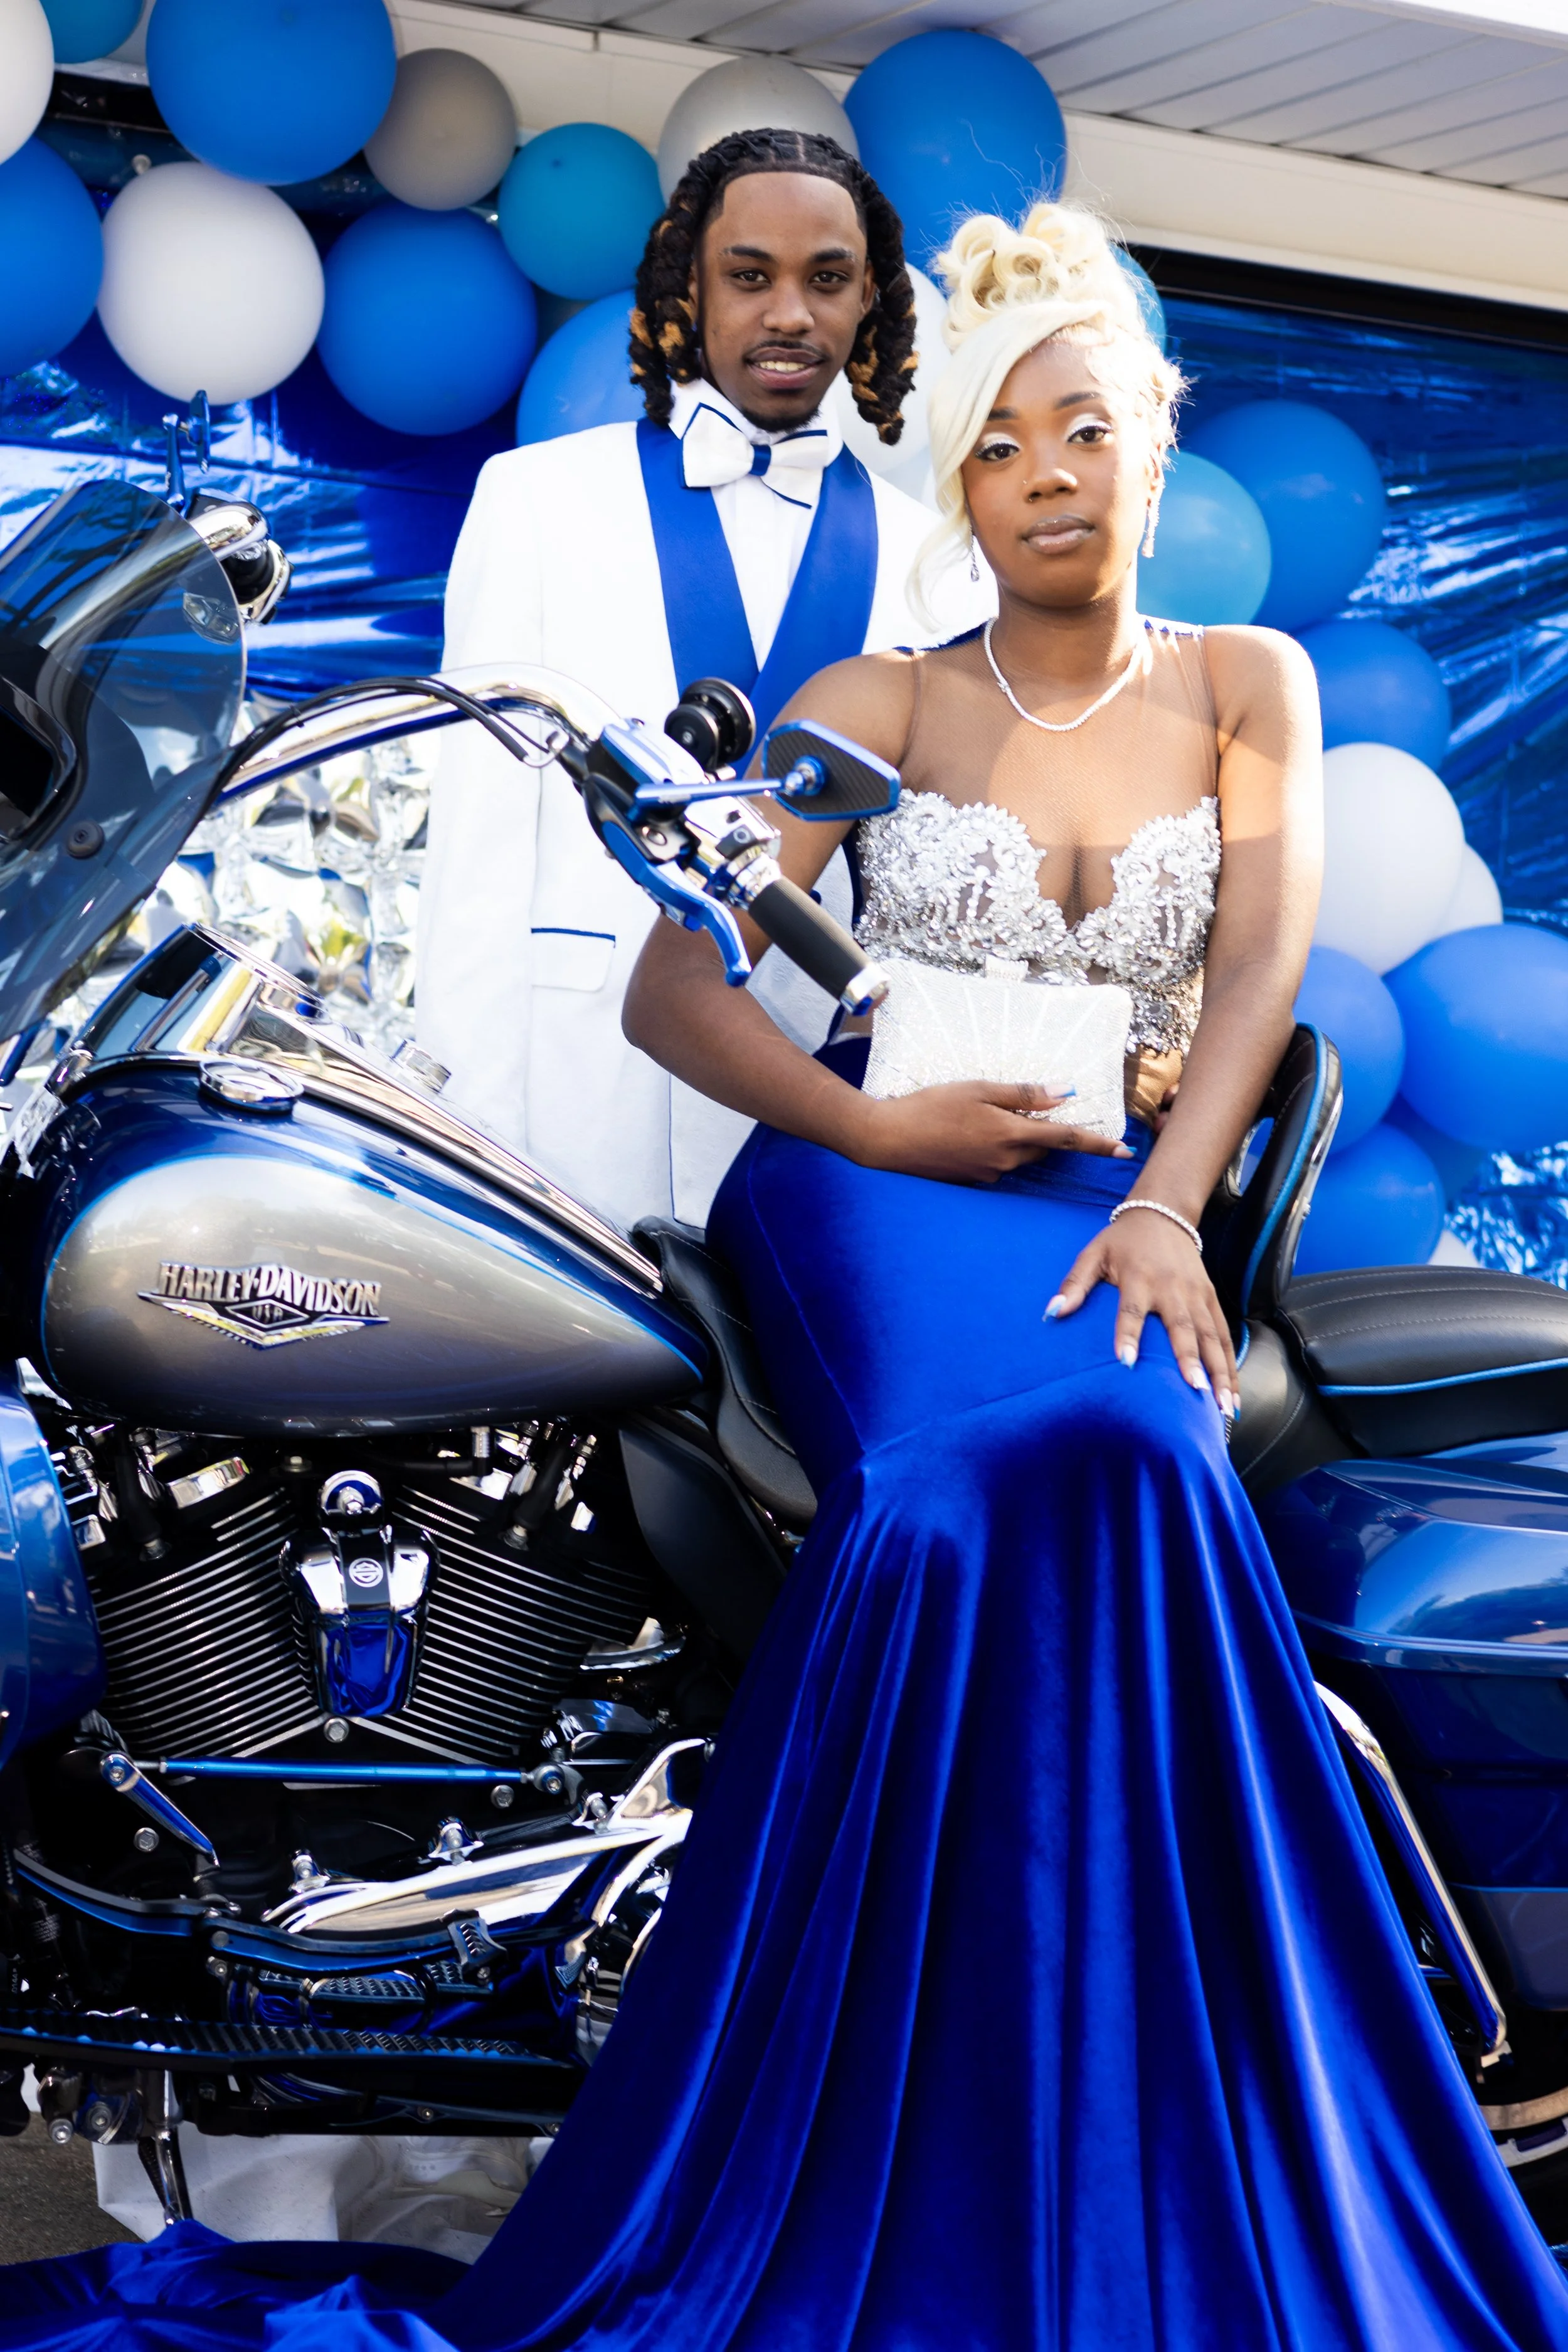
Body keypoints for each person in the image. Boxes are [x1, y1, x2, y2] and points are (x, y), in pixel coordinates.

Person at [5, 204, 1566, 2352]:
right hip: (866, 1185)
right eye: (1001, 444)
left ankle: (1128, 2113)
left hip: (1109, 1196)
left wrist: (1159, 1214)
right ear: (962, 482)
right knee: (939, 1497)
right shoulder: (872, 705)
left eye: (1085, 429)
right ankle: (861, 2115)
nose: (1046, 472)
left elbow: (1262, 971)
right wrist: (873, 1128)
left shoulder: (1248, 684)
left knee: (1131, 1448)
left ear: (1149, 443)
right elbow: (681, 980)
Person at [416, 128, 990, 1235]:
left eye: (827, 280)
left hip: (807, 1117)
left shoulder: (939, 568)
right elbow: (476, 853)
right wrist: (468, 1139)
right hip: (561, 1102)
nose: (790, 314)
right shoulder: (533, 501)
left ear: (870, 300)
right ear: (691, 285)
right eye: (750, 275)